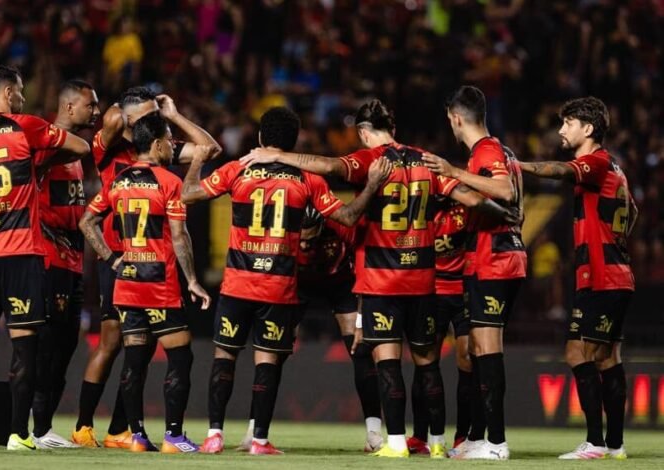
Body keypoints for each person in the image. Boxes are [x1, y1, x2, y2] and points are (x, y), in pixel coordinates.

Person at [239, 100, 515, 458]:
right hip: (422, 280)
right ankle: (436, 443)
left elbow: (327, 165)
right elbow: (473, 200)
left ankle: (397, 442)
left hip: (382, 280)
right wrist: (506, 214)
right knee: (427, 363)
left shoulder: (370, 160)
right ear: (393, 129)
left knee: (387, 360)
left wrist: (274, 156)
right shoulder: (426, 160)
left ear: (364, 133)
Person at [182, 107, 392, 455]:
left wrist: (196, 161)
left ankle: (214, 435)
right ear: (294, 142)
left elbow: (188, 195)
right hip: (279, 286)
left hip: (240, 283)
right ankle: (259, 440)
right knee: (268, 361)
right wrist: (370, 186)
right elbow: (350, 215)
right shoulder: (308, 179)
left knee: (225, 356)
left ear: (261, 140)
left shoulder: (239, 169)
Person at [0, 64, 89, 451]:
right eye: (21, 91)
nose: (23, 98)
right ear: (9, 93)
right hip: (19, 250)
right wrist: (36, 161)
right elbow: (81, 147)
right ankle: (18, 434)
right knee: (24, 345)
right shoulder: (23, 125)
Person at [73, 87, 221, 448]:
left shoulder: (155, 152)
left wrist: (170, 116)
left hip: (132, 264)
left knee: (135, 348)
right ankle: (85, 426)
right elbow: (109, 118)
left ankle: (126, 431)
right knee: (113, 344)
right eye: (147, 114)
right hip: (125, 259)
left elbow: (209, 148)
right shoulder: (107, 146)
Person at [519, 97, 635, 460]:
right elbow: (633, 211)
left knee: (576, 351)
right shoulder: (616, 167)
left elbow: (560, 170)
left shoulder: (597, 161)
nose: (560, 131)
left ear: (588, 129)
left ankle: (596, 443)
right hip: (618, 273)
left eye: (567, 124)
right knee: (607, 357)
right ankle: (614, 444)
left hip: (600, 277)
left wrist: (518, 165)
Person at [423, 86, 526, 460]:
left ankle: (496, 443)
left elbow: (504, 191)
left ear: (456, 117)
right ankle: (479, 438)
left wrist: (452, 173)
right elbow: (517, 202)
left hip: (494, 262)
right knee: (482, 350)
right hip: (503, 257)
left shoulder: (485, 151)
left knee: (487, 350)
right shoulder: (504, 151)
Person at [237, 204, 383, 453]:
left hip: (340, 283)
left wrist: (360, 320)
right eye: (300, 240)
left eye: (310, 238)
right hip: (297, 284)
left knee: (360, 351)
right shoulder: (280, 232)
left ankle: (374, 433)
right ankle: (254, 431)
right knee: (273, 352)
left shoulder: (341, 226)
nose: (304, 245)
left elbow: (364, 269)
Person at [30, 79, 100, 449]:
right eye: (91, 106)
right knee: (47, 346)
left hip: (72, 260)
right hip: (48, 258)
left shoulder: (71, 156)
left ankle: (43, 427)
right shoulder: (46, 143)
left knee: (66, 346)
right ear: (70, 107)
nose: (96, 112)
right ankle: (33, 428)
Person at [407, 198, 473, 456]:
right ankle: (420, 436)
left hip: (464, 290)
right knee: (425, 360)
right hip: (431, 291)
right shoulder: (418, 211)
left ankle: (462, 437)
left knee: (468, 358)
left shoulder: (465, 210)